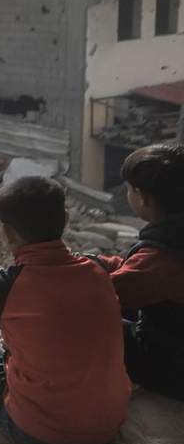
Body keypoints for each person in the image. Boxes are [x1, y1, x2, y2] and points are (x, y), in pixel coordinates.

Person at [0, 175, 128, 444]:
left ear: (6, 233)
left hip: (38, 434)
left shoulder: (6, 285)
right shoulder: (98, 268)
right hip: (109, 427)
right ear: (66, 220)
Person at [91, 143, 184, 398]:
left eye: (130, 189)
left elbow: (102, 294)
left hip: (173, 370)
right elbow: (138, 272)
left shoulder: (161, 259)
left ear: (144, 198)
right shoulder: (173, 240)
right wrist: (98, 263)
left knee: (82, 314)